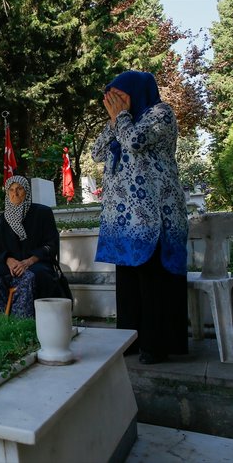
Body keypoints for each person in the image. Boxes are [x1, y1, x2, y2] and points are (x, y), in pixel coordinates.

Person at [92, 70, 188, 364]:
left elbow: (134, 142)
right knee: (129, 283)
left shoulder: (160, 113)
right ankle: (130, 340)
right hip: (124, 218)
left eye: (119, 95)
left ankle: (156, 345)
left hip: (155, 214)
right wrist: (113, 121)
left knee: (152, 280)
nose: (115, 102)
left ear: (137, 91)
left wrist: (120, 118)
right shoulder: (121, 122)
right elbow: (97, 152)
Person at [0, 175, 62, 318]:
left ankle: (24, 322)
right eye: (11, 190)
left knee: (31, 276)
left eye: (19, 189)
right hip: (10, 265)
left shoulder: (42, 213)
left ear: (27, 191)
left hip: (37, 262)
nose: (15, 193)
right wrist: (9, 260)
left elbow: (52, 244)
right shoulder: (2, 220)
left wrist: (29, 261)